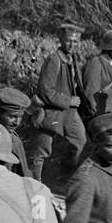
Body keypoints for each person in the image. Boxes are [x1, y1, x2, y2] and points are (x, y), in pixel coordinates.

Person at [26, 22, 87, 179]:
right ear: (61, 39)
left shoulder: (73, 59)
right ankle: (34, 182)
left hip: (69, 113)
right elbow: (46, 90)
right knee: (41, 150)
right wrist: (69, 101)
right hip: (51, 112)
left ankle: (64, 175)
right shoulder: (54, 60)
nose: (72, 44)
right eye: (69, 40)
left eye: (75, 41)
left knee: (79, 140)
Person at [80, 29, 112, 121]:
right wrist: (95, 115)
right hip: (99, 115)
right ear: (111, 47)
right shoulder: (95, 64)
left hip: (111, 112)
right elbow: (90, 92)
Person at [0, 86, 33, 178]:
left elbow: (24, 172)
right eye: (12, 117)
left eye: (20, 117)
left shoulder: (14, 139)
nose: (17, 123)